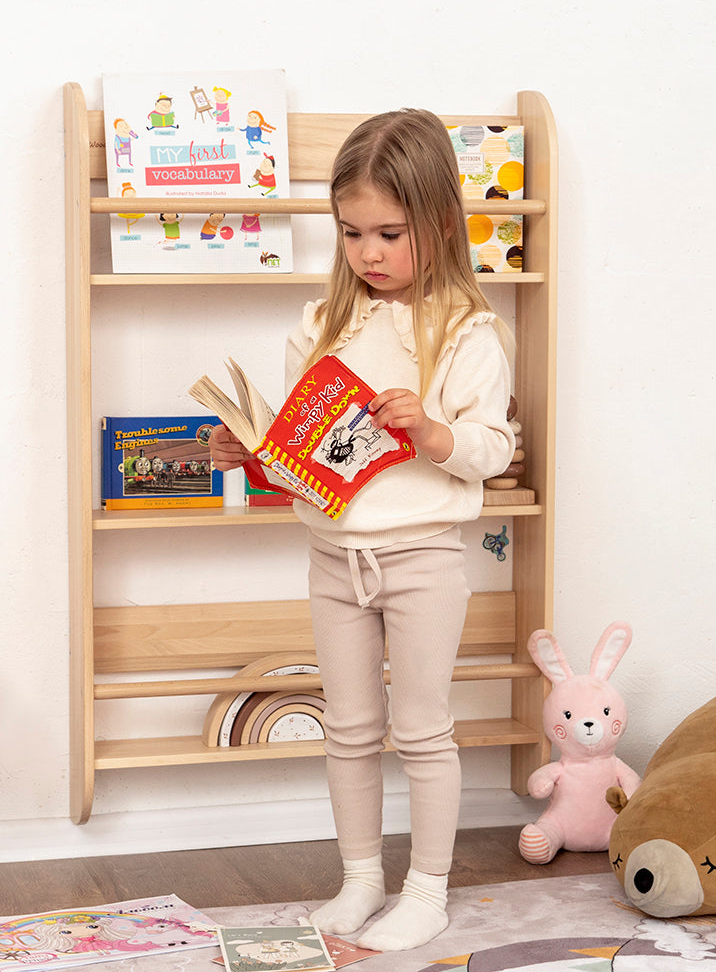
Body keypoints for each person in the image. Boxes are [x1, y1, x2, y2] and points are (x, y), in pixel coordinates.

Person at [209, 108, 516, 952]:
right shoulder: (320, 327)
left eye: (389, 233)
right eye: (352, 233)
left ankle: (427, 890)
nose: (368, 254)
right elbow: (306, 457)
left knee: (422, 728)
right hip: (332, 555)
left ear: (441, 225)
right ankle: (359, 880)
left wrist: (432, 432)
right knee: (346, 727)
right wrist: (254, 451)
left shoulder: (468, 333)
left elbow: (492, 448)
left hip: (421, 556)